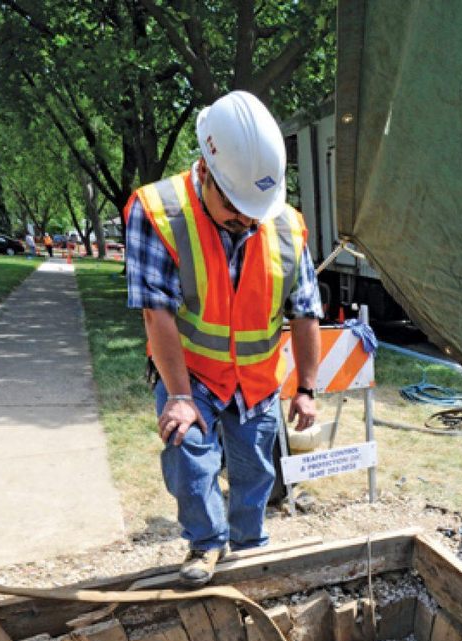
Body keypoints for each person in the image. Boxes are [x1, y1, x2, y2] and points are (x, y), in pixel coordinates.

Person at [125, 90, 323, 586]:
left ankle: (249, 545)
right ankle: (207, 544)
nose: (246, 220)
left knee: (256, 470)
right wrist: (177, 396)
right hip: (188, 371)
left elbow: (304, 313)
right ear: (206, 171)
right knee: (190, 457)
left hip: (254, 378)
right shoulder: (157, 211)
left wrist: (307, 388)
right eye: (235, 208)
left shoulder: (286, 225)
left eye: (253, 210)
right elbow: (157, 313)